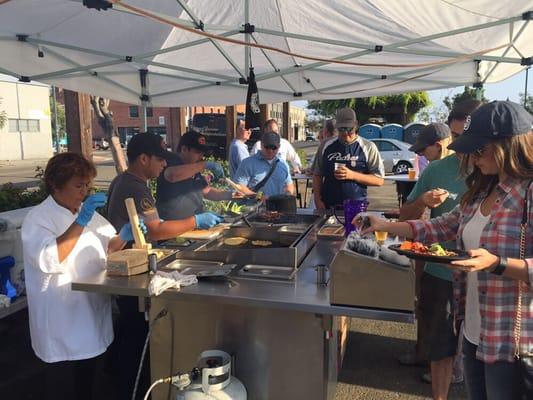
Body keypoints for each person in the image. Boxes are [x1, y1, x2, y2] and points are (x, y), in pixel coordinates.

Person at [355, 101, 533, 400]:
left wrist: (496, 263)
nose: (473, 159)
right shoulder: (482, 190)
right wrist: (382, 223)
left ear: (506, 146)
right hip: (475, 332)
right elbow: (440, 227)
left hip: (511, 341)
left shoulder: (528, 192)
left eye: (479, 150)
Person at [106, 132, 223, 400]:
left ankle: (121, 382)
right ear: (143, 158)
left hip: (124, 264)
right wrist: (195, 221)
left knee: (127, 331)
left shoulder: (123, 180)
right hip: (129, 268)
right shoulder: (135, 186)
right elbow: (157, 230)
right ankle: (133, 391)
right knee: (134, 336)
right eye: (159, 159)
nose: (163, 165)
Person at [21, 153, 136, 400]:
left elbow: (110, 245)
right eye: (78, 185)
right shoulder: (39, 219)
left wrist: (126, 235)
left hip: (91, 311)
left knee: (90, 382)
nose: (84, 191)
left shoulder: (87, 212)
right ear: (55, 184)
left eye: (87, 185)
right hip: (62, 319)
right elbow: (50, 258)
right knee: (65, 386)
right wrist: (81, 222)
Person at [399, 123, 463, 399]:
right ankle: (426, 354)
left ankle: (454, 366)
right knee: (435, 322)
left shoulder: (496, 174)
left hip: (479, 273)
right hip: (440, 266)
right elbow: (409, 216)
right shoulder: (435, 171)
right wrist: (423, 201)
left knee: (462, 338)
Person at [313, 107, 385, 210]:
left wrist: (352, 175)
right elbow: (317, 174)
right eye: (341, 129)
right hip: (328, 206)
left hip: (356, 207)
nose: (345, 133)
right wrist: (317, 200)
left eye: (349, 129)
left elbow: (379, 180)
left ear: (356, 125)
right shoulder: (326, 145)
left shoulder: (368, 147)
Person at [156, 130, 235, 220]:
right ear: (184, 149)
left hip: (193, 225)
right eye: (197, 152)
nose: (201, 156)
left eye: (202, 153)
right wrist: (204, 165)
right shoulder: (170, 161)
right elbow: (171, 175)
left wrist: (231, 195)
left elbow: (206, 191)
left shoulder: (193, 168)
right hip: (172, 226)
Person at [233, 131, 294, 197]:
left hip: (277, 206)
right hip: (255, 206)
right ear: (261, 145)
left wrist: (288, 194)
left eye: (273, 148)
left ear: (279, 147)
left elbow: (289, 184)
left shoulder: (283, 165)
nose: (270, 150)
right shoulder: (247, 163)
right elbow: (239, 186)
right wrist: (257, 197)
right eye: (267, 147)